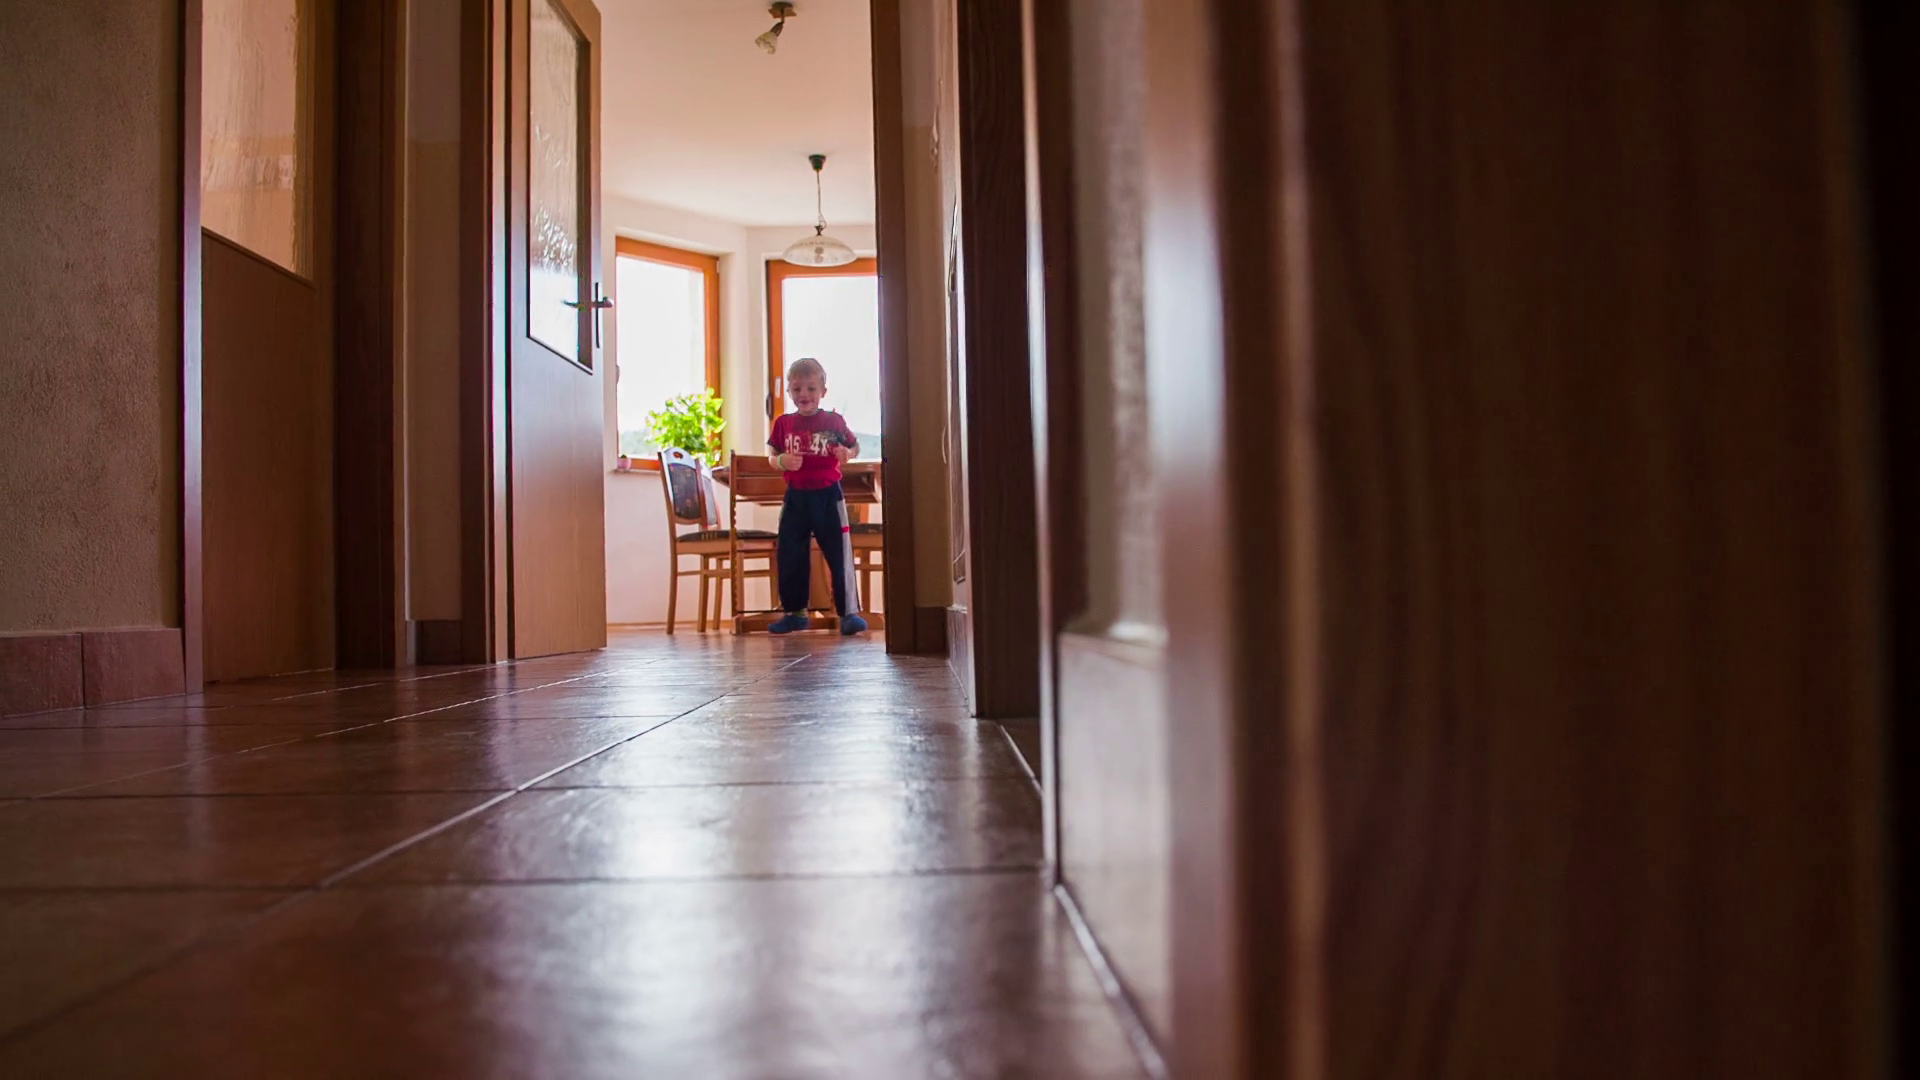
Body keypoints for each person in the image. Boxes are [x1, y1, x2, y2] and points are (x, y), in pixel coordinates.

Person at [767, 357, 868, 635]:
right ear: (789, 392)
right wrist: (782, 461)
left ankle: (848, 612)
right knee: (790, 552)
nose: (804, 395)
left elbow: (854, 445)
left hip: (828, 495)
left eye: (811, 388)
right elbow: (772, 455)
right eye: (797, 389)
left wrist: (848, 454)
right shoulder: (783, 423)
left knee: (838, 551)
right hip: (796, 496)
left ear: (823, 391)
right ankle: (795, 612)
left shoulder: (833, 421)